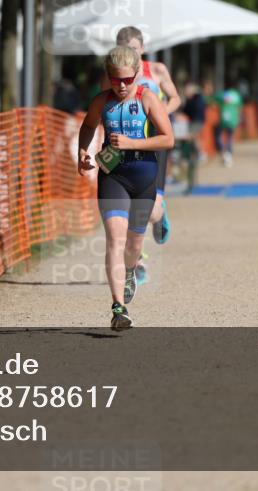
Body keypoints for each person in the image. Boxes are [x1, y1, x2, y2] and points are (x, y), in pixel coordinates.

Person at [77, 46, 174, 330]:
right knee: (114, 240)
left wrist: (133, 144)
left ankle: (131, 269)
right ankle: (118, 308)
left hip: (143, 179)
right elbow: (87, 125)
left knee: (133, 246)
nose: (121, 86)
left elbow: (167, 139)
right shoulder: (101, 101)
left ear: (136, 75)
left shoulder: (148, 99)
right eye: (115, 79)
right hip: (113, 178)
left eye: (127, 80)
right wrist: (83, 152)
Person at [112, 27, 182, 250]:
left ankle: (160, 215)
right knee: (127, 207)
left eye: (133, 49)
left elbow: (175, 98)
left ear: (142, 48)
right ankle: (136, 260)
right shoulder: (115, 76)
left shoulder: (157, 70)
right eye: (124, 49)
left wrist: (161, 112)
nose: (129, 53)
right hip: (126, 142)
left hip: (155, 140)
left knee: (151, 213)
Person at [213, 83, 243, 167]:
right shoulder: (236, 96)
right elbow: (239, 107)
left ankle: (223, 152)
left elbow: (214, 100)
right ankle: (228, 153)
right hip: (233, 120)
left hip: (223, 120)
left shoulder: (222, 95)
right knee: (230, 137)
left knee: (219, 135)